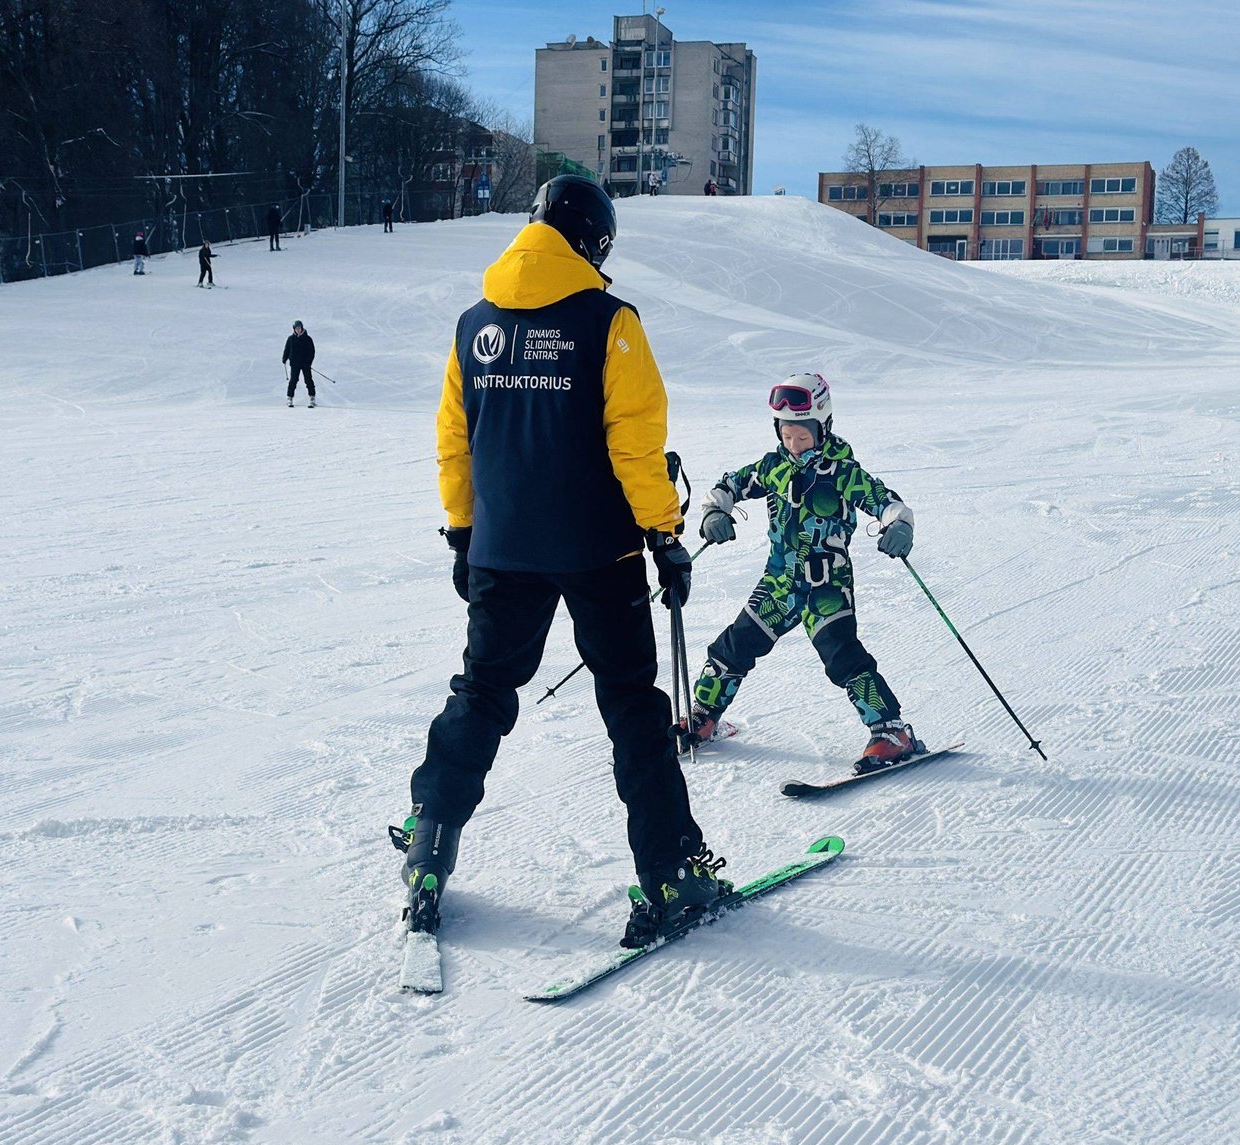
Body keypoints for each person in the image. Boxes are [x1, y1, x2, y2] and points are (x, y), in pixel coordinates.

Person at [391, 173, 728, 950]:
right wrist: (665, 535)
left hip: (504, 550)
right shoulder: (609, 321)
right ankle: (673, 870)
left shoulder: (474, 324)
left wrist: (463, 532)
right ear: (592, 241)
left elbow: (455, 439)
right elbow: (634, 441)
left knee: (481, 694)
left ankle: (430, 836)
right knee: (632, 707)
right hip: (597, 551)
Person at [684, 372, 921, 774]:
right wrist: (713, 513)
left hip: (826, 587)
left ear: (823, 427)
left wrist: (899, 525)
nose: (794, 445)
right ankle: (704, 718)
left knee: (842, 657)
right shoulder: (773, 466)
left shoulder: (844, 472)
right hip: (779, 584)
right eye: (787, 436)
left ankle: (891, 732)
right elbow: (729, 486)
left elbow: (887, 502)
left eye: (803, 437)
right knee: (733, 647)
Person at [282, 320, 316, 407]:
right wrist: (285, 358)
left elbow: (311, 352)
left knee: (308, 380)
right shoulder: (291, 339)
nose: (298, 330)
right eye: (296, 328)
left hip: (305, 364)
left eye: (299, 328)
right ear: (294, 329)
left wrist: (308, 362)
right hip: (295, 364)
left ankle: (312, 398)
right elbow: (287, 349)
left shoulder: (307, 339)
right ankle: (290, 398)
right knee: (293, 380)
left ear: (302, 328)